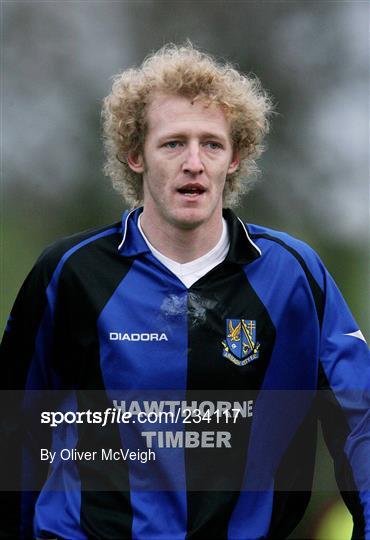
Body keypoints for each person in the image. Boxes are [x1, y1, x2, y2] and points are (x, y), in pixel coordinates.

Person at [1, 43, 369, 540]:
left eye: (212, 144)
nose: (194, 162)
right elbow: (16, 432)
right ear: (135, 155)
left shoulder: (295, 275)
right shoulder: (70, 273)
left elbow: (359, 422)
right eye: (173, 143)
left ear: (235, 158)